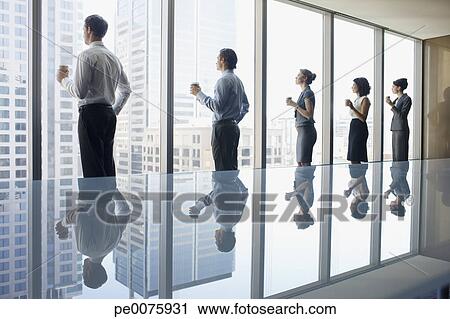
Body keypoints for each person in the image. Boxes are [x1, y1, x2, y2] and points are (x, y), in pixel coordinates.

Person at [57, 15, 131, 178]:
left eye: (83, 29)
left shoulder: (86, 56)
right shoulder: (114, 58)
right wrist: (113, 110)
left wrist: (63, 80)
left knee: (92, 166)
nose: (83, 33)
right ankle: (107, 202)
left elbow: (79, 92)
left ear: (89, 29)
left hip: (90, 114)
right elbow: (126, 90)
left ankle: (96, 203)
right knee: (106, 163)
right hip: (108, 115)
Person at [55, 177, 133, 289]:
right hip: (90, 186)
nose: (82, 267)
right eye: (83, 273)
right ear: (89, 273)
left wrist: (113, 190)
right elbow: (81, 213)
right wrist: (63, 224)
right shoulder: (85, 249)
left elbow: (125, 212)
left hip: (109, 184)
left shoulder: (114, 243)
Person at [190, 48, 249, 171]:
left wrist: (199, 94)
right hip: (233, 128)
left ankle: (224, 190)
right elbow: (246, 106)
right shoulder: (238, 81)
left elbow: (216, 107)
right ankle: (230, 190)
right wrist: (234, 120)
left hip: (222, 129)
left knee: (222, 168)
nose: (216, 62)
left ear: (223, 60)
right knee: (231, 167)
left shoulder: (223, 81)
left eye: (217, 59)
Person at [188, 170, 248, 253]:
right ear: (221, 238)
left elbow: (245, 193)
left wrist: (234, 178)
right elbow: (216, 196)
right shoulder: (222, 220)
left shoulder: (236, 220)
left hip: (232, 174)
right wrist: (198, 207)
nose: (214, 238)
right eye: (216, 241)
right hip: (220, 175)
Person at [286, 69, 317, 166]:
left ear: (304, 78)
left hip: (306, 132)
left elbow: (309, 114)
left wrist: (294, 104)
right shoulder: (303, 93)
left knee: (304, 162)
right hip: (302, 132)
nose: (296, 77)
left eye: (298, 75)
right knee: (300, 162)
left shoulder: (308, 93)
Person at [345, 78, 371, 164]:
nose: (352, 87)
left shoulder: (365, 99)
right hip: (354, 127)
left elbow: (363, 118)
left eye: (354, 85)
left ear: (359, 86)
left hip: (360, 127)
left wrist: (352, 107)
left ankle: (359, 175)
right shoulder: (357, 99)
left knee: (356, 155)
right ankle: (356, 176)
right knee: (353, 155)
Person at [386, 78, 412, 161]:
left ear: (399, 88)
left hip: (401, 128)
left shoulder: (407, 99)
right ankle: (396, 173)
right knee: (396, 154)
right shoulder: (397, 99)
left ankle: (401, 173)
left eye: (393, 86)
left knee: (400, 154)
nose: (392, 88)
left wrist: (391, 105)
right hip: (395, 128)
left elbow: (402, 115)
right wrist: (392, 104)